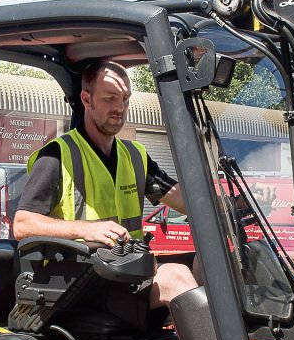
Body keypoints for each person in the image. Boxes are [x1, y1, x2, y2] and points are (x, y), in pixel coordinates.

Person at [11, 60, 201, 312]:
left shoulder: (135, 156)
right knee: (175, 277)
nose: (120, 108)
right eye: (110, 98)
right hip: (77, 285)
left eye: (125, 99)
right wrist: (86, 229)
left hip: (126, 277)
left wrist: (226, 204)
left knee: (206, 267)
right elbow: (23, 224)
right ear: (86, 99)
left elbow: (180, 199)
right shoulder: (57, 156)